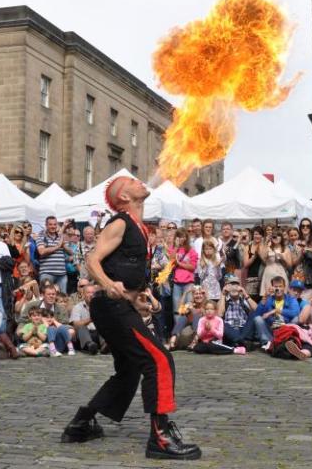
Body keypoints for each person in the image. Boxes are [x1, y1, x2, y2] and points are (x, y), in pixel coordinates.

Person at [63, 176, 200, 460]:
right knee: (159, 359)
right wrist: (108, 284)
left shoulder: (138, 226)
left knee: (130, 370)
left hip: (119, 306)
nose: (141, 183)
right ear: (124, 196)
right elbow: (92, 259)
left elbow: (125, 268)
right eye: (133, 182)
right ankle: (160, 438)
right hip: (109, 307)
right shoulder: (120, 222)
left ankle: (81, 423)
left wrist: (139, 296)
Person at [19, 282, 73, 356]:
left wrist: (52, 323)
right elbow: (22, 321)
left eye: (53, 294)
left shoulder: (61, 309)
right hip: (34, 334)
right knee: (21, 336)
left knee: (70, 331)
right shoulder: (31, 305)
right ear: (43, 295)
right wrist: (36, 324)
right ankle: (37, 350)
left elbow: (65, 324)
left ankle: (55, 349)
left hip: (53, 334)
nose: (51, 296)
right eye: (49, 294)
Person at [251, 277, 302, 350]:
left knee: (296, 319)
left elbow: (295, 312)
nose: (278, 289)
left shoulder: (290, 299)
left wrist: (276, 310)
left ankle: (287, 341)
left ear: (284, 287)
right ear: (272, 287)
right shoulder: (269, 299)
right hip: (272, 330)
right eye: (275, 287)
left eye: (280, 286)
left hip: (285, 330)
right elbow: (257, 315)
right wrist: (265, 297)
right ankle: (267, 343)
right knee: (257, 319)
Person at [218, 275, 257, 347]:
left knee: (254, 314)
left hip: (244, 329)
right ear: (227, 287)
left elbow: (257, 311)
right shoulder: (224, 300)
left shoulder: (244, 300)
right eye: (231, 285)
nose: (234, 288)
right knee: (220, 322)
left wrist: (245, 294)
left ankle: (238, 341)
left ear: (240, 287)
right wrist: (223, 295)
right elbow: (219, 314)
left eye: (236, 285)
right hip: (230, 329)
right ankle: (243, 342)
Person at [37, 216, 72, 293]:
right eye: (50, 224)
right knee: (47, 296)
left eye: (54, 224)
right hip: (47, 273)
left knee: (62, 299)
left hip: (61, 274)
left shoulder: (60, 236)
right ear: (46, 225)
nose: (53, 226)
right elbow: (41, 251)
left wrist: (63, 246)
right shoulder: (41, 236)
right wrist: (57, 246)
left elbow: (71, 252)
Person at [70, 279, 102, 355]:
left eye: (93, 293)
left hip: (98, 334)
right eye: (88, 293)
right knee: (81, 327)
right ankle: (90, 346)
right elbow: (75, 325)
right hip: (84, 336)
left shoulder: (101, 307)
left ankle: (105, 346)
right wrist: (90, 319)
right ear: (83, 295)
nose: (91, 295)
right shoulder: (77, 307)